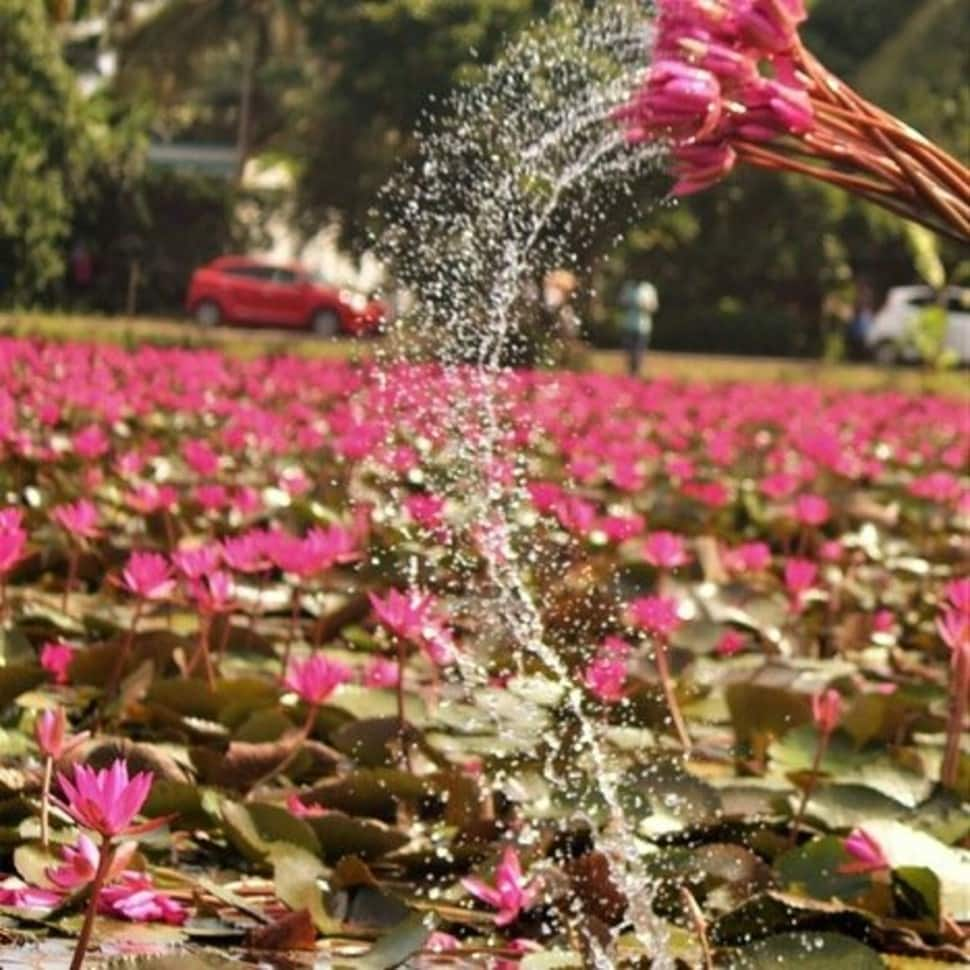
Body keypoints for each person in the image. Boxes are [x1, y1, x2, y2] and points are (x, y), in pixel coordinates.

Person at [620, 279, 658, 376]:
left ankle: (636, 373)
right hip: (629, 325)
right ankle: (630, 372)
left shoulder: (648, 288)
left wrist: (644, 305)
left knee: (639, 352)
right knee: (629, 351)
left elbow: (654, 306)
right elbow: (621, 302)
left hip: (643, 327)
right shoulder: (628, 286)